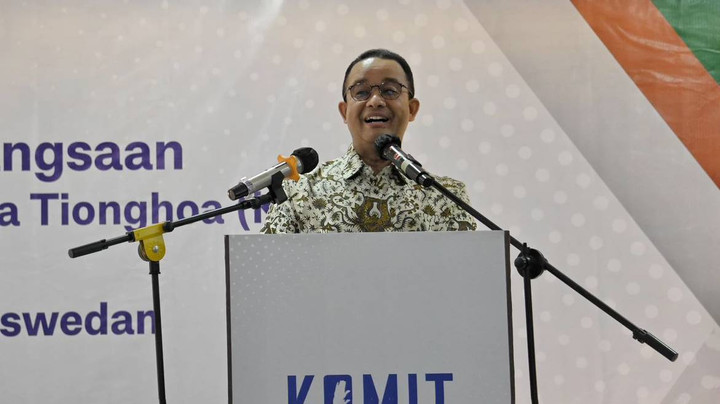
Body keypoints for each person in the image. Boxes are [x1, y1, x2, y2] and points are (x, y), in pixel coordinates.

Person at [260, 49, 477, 233]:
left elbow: (467, 269)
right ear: (344, 112)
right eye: (361, 92)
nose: (375, 101)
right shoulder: (298, 192)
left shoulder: (447, 197)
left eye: (390, 91)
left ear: (412, 109)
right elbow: (270, 267)